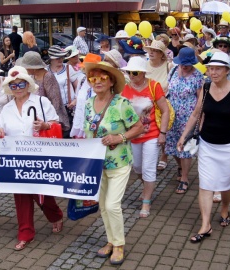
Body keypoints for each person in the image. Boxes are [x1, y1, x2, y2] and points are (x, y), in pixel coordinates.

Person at [177, 52, 230, 243]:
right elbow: (195, 114)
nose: (213, 72)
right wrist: (184, 135)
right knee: (206, 184)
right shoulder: (206, 87)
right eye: (211, 69)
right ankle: (205, 224)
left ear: (227, 70)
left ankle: (225, 208)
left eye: (218, 68)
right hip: (208, 143)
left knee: (226, 184)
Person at [0, 66, 64, 251]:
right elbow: (1, 130)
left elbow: (56, 123)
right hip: (16, 159)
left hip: (39, 156)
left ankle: (55, 214)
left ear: (28, 84)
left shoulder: (41, 101)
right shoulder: (7, 108)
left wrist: (45, 125)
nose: (18, 87)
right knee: (21, 196)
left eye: (21, 83)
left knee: (41, 193)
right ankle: (25, 233)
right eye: (14, 85)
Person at [83, 61, 143, 265]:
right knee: (103, 205)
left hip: (119, 161)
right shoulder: (88, 103)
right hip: (97, 164)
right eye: (93, 78)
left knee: (112, 204)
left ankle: (119, 245)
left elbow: (138, 127)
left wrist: (121, 137)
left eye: (102, 78)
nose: (97, 81)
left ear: (111, 82)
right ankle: (110, 240)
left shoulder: (121, 103)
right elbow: (87, 132)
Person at [121, 57, 169, 218]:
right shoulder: (124, 87)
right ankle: (147, 187)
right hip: (133, 135)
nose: (132, 75)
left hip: (151, 134)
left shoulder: (153, 86)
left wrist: (162, 133)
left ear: (142, 73)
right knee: (137, 168)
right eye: (129, 72)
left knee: (148, 169)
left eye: (134, 73)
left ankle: (146, 202)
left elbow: (165, 110)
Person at [164, 47, 204, 194]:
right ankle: (180, 166)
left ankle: (184, 178)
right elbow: (166, 89)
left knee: (185, 148)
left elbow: (201, 99)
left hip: (188, 116)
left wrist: (199, 118)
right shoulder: (174, 71)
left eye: (187, 64)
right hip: (172, 115)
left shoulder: (198, 76)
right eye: (182, 63)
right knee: (172, 145)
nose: (185, 66)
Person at [19, 51, 70, 135]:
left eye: (27, 67)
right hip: (40, 121)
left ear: (33, 68)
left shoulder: (47, 77)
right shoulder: (32, 76)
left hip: (51, 120)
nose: (25, 69)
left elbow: (55, 102)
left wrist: (49, 123)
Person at [143, 40, 172, 171]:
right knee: (149, 130)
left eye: (155, 51)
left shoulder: (169, 66)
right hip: (147, 104)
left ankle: (164, 155)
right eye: (151, 50)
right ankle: (150, 156)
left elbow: (172, 84)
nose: (152, 53)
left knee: (163, 130)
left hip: (163, 102)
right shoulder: (144, 66)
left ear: (162, 54)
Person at [47, 45, 79, 137]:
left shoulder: (68, 68)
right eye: (57, 57)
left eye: (61, 57)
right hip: (52, 108)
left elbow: (77, 86)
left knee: (68, 135)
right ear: (51, 59)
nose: (60, 59)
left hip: (67, 108)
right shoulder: (46, 70)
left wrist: (75, 100)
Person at [70, 53, 102, 138]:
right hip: (80, 123)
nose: (87, 71)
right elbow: (78, 96)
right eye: (86, 68)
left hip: (95, 126)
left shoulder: (101, 83)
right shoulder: (82, 80)